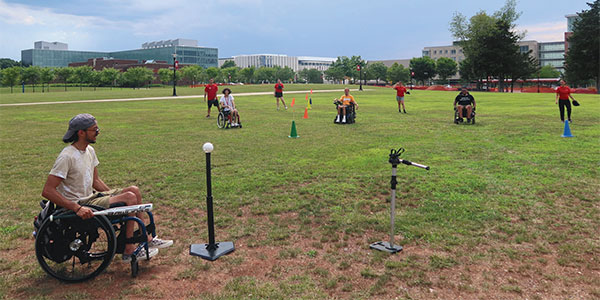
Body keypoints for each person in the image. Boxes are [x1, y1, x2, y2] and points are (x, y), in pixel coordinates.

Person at [42, 114, 173, 263]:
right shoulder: (67, 157)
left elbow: (95, 180)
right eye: (94, 130)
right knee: (129, 197)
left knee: (133, 191)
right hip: (78, 204)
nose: (98, 132)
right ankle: (128, 250)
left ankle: (147, 238)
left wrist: (113, 198)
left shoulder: (89, 150)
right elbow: (48, 191)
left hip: (90, 198)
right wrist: (77, 208)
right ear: (81, 133)